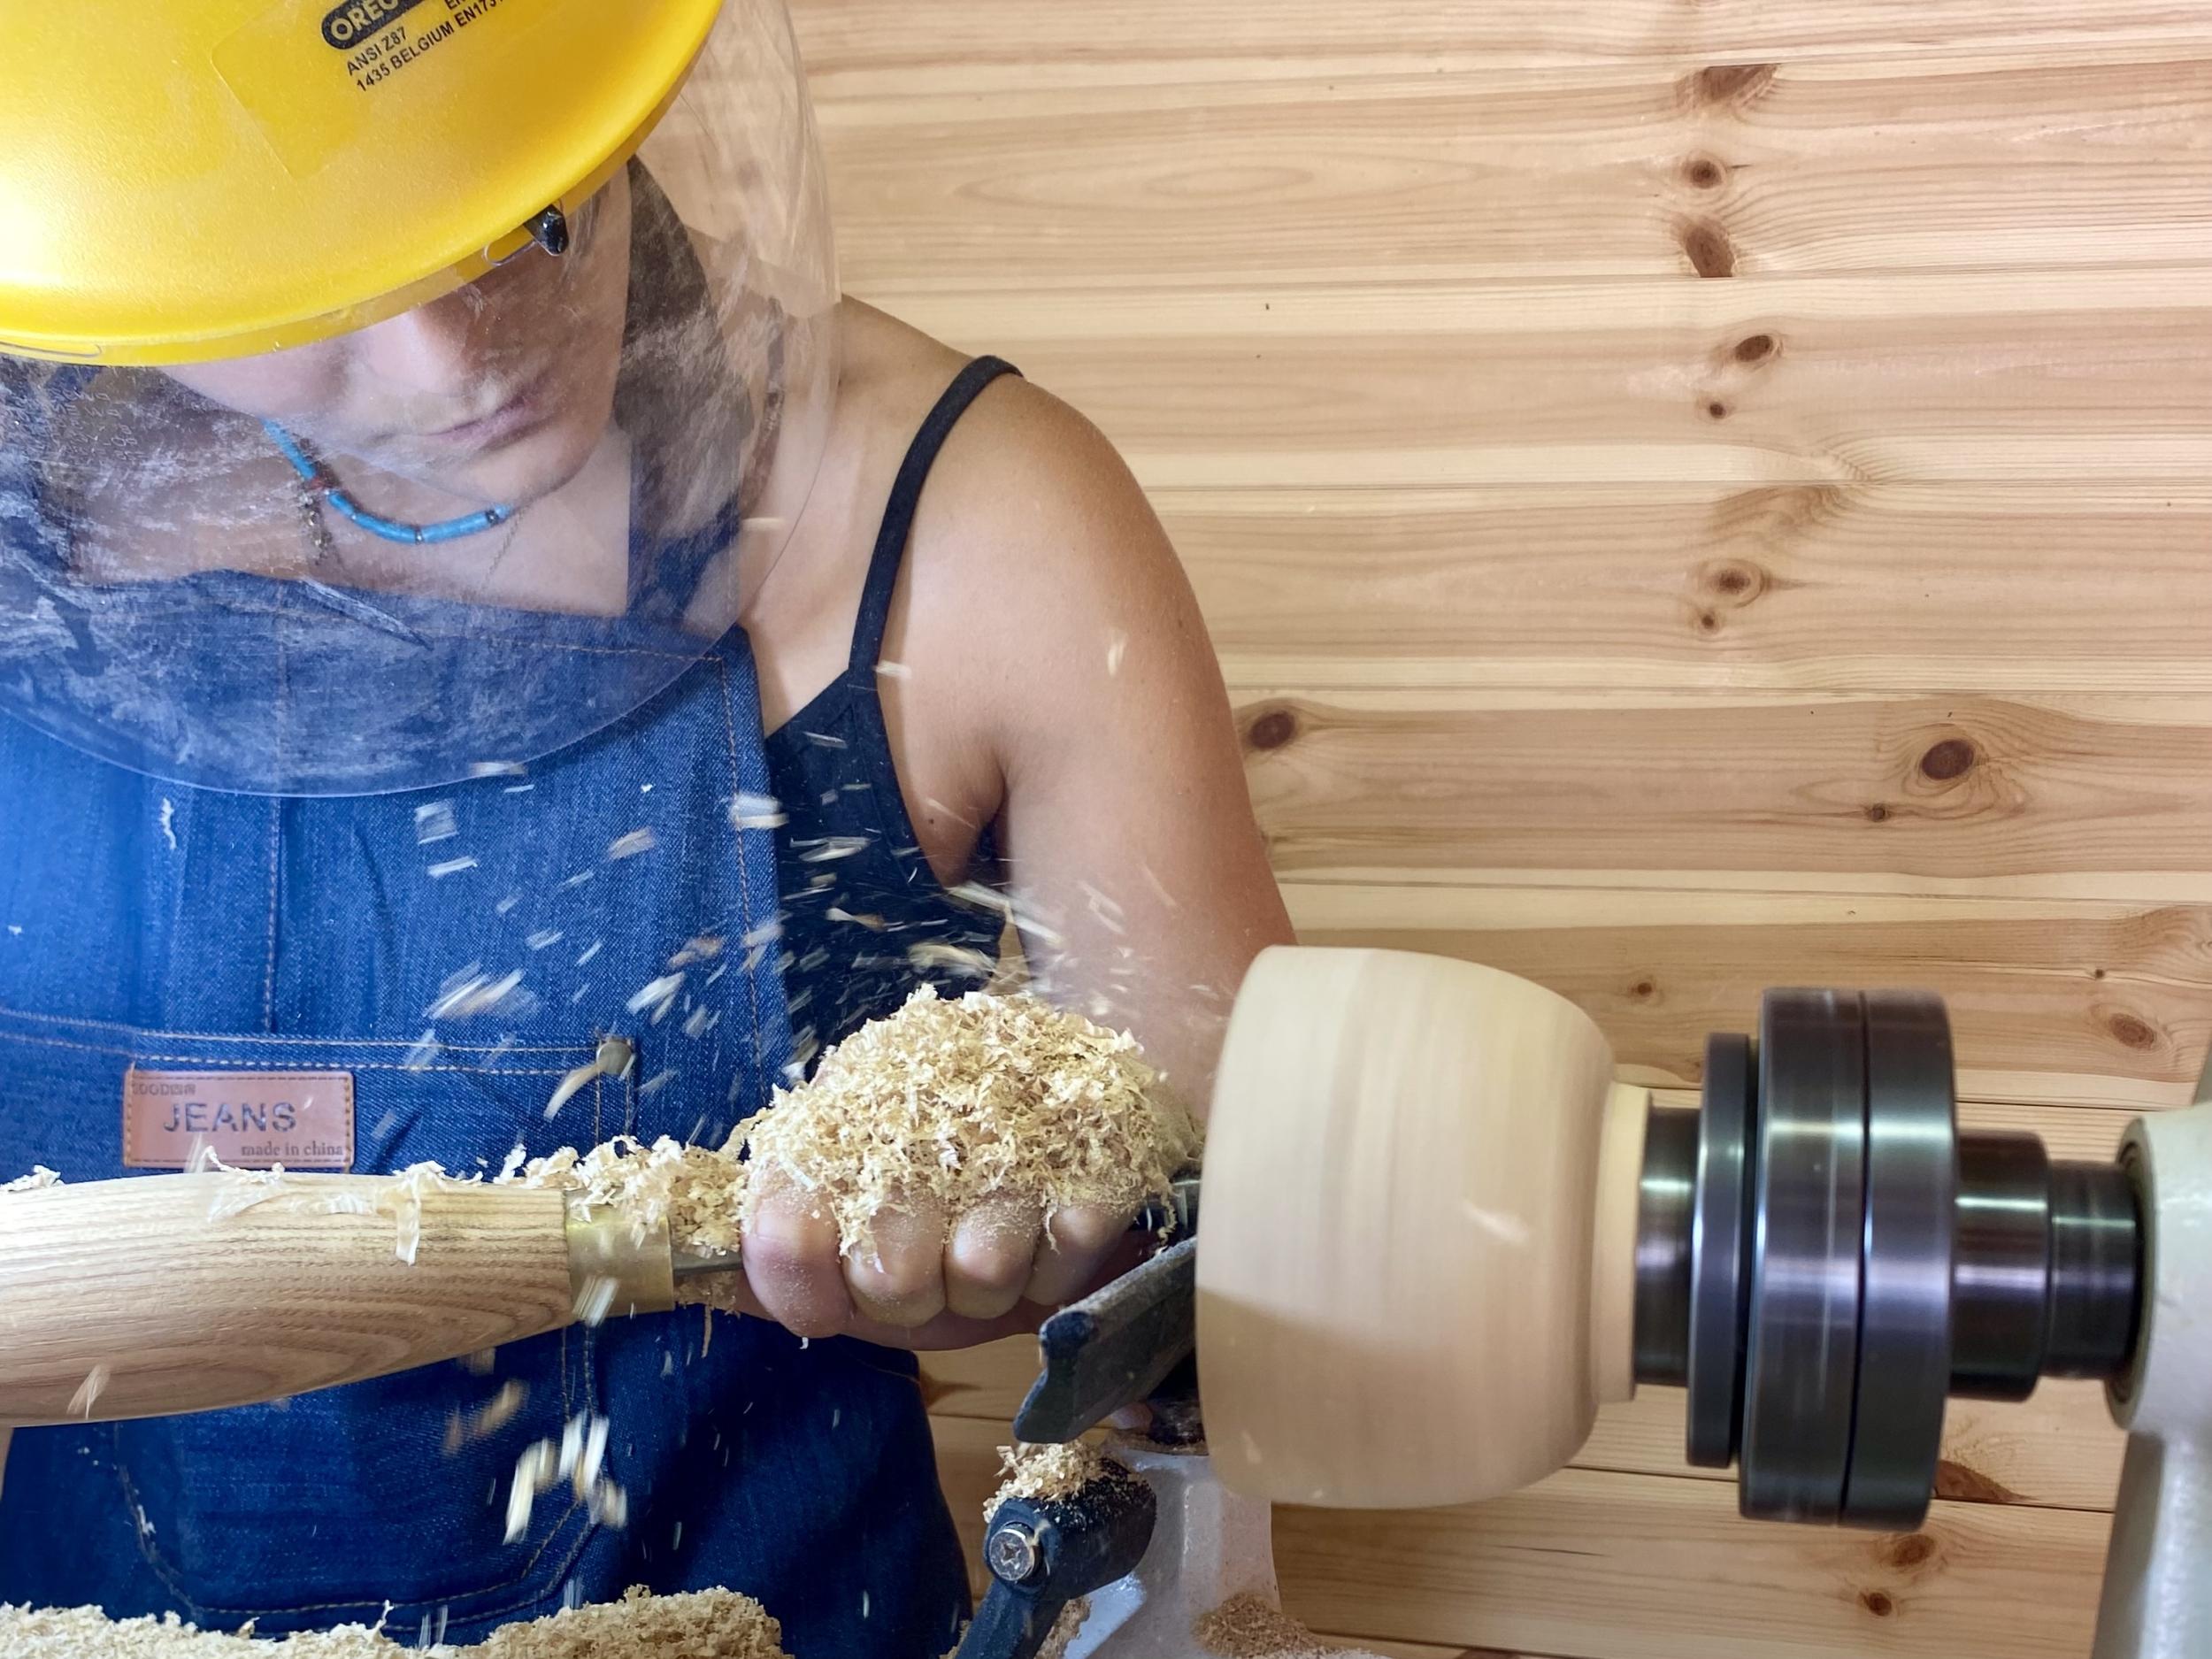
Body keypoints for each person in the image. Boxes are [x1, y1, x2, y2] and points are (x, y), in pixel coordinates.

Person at [0, 3, 1291, 1654]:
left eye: (518, 211)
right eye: (310, 293)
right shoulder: (34, 553)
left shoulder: (974, 529)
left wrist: (1071, 1266)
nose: (455, 356)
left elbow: (1256, 1286)